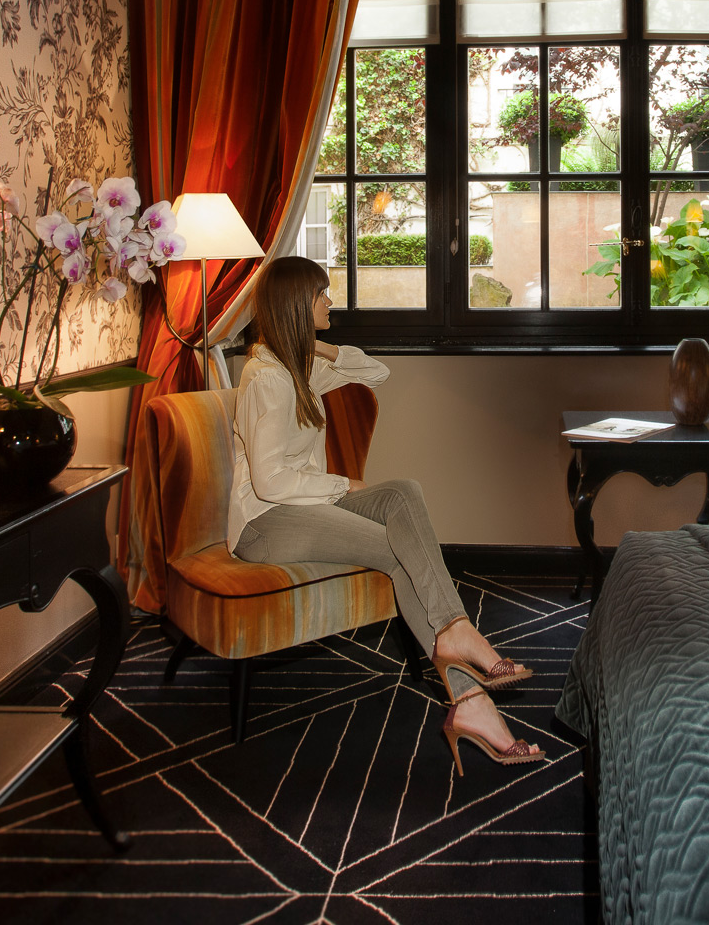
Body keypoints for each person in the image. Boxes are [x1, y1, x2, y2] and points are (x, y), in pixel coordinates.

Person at [228, 254, 543, 774]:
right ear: (294, 304)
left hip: (305, 504)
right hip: (266, 523)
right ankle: (469, 694)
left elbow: (376, 370)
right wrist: (341, 482)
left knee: (402, 494)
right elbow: (270, 482)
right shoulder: (268, 379)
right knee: (399, 550)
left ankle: (455, 638)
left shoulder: (298, 367)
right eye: (321, 295)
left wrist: (313, 344)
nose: (330, 301)